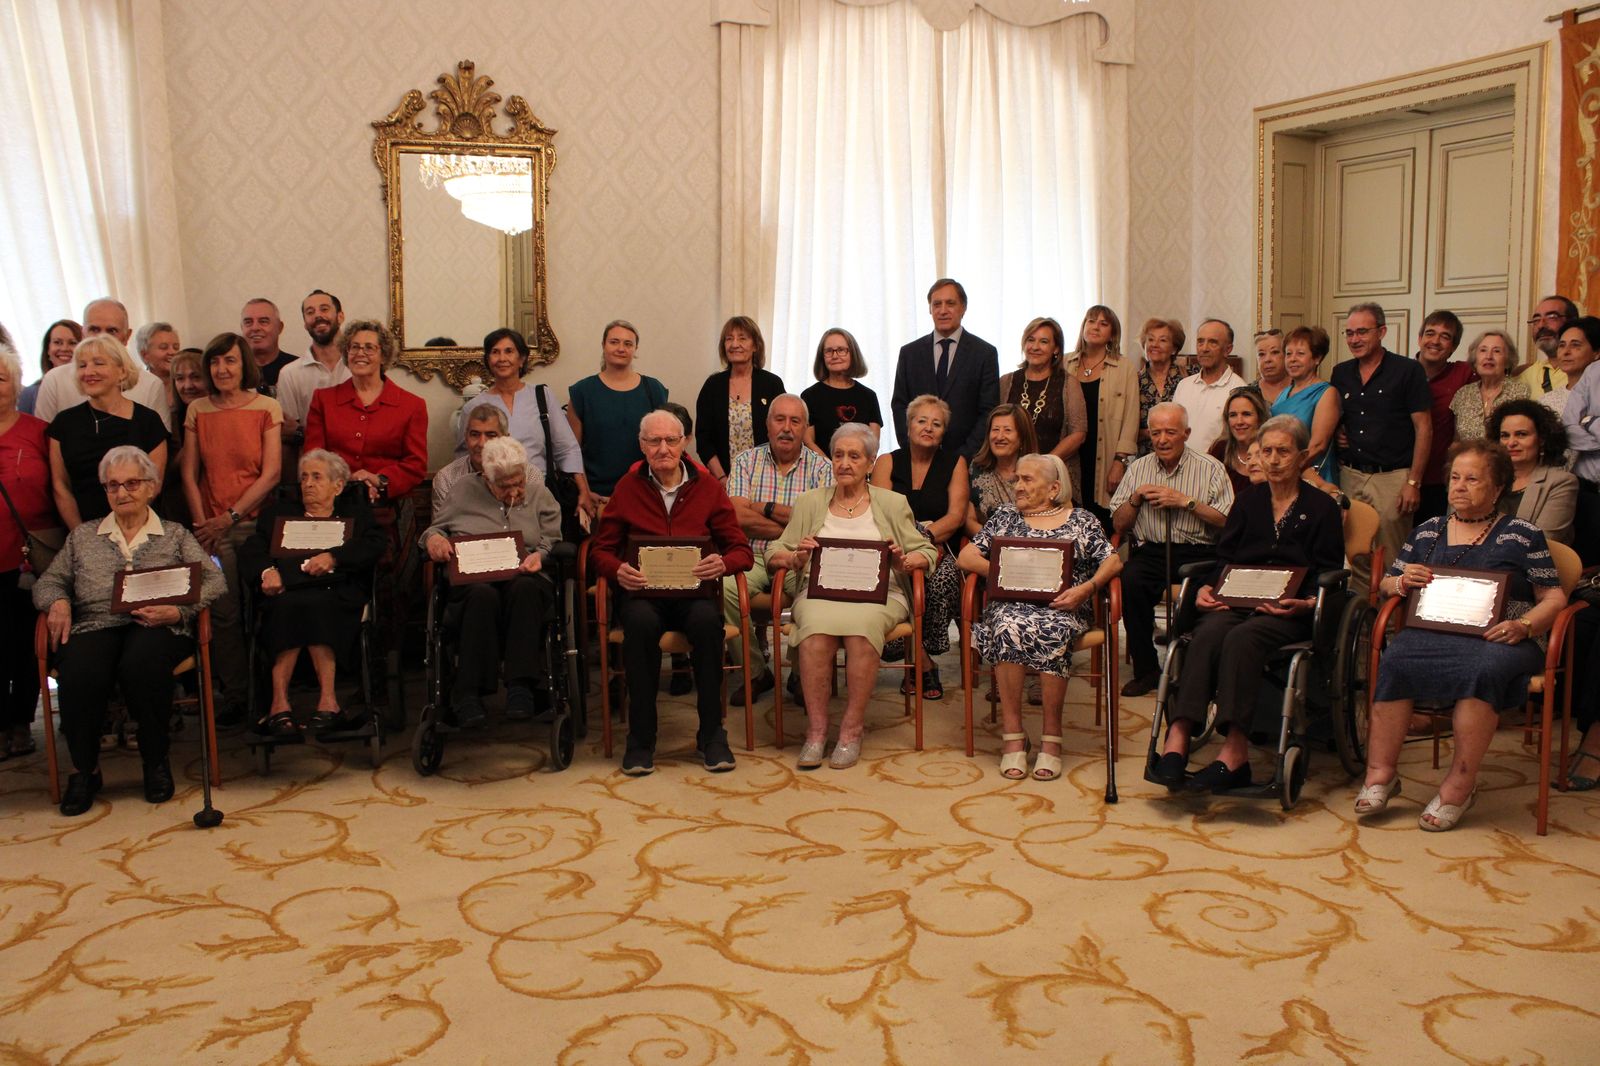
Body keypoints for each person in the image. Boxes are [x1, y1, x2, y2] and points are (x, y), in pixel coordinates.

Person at [1356, 441, 1567, 831]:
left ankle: (1461, 784)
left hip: (1502, 637)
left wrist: (1526, 626)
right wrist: (1402, 581)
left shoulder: (1522, 534)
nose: (1460, 486)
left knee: (1481, 669)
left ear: (1498, 488)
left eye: (1473, 479)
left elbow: (1553, 595)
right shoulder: (1426, 531)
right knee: (1396, 658)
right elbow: (1386, 585)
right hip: (1435, 630)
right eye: (1455, 477)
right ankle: (1381, 773)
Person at [1149, 416, 1344, 791]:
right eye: (1266, 451)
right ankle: (1178, 735)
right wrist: (1207, 588)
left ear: (1302, 457)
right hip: (1238, 599)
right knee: (1206, 633)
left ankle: (1235, 752)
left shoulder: (1322, 508)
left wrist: (1304, 603)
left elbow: (1329, 572)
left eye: (1283, 452)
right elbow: (1225, 557)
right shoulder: (1248, 502)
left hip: (1289, 609)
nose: (1272, 460)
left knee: (1243, 639)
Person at [32, 446, 224, 816]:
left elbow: (214, 581)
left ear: (151, 487)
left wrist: (178, 611)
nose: (122, 493)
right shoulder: (84, 537)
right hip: (95, 623)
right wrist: (57, 602)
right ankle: (84, 771)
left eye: (132, 484)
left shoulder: (174, 534)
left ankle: (156, 762)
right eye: (113, 486)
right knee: (81, 670)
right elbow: (50, 581)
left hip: (154, 624)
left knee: (143, 664)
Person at [589, 410, 753, 775]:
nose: (663, 448)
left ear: (685, 443)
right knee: (641, 625)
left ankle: (712, 735)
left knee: (708, 626)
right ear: (642, 445)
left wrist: (723, 564)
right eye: (654, 441)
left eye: (671, 440)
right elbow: (601, 549)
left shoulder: (708, 487)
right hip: (643, 595)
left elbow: (741, 549)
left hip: (694, 595)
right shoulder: (627, 488)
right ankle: (641, 739)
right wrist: (618, 570)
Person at [766, 423, 936, 769]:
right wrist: (795, 558)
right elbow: (774, 551)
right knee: (813, 628)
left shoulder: (892, 502)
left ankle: (851, 728)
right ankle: (816, 731)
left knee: (861, 630)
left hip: (880, 593)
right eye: (839, 455)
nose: (845, 463)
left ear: (870, 463)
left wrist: (905, 560)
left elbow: (926, 551)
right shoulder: (810, 501)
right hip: (820, 590)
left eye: (854, 456)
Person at [958, 453, 1120, 780]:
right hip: (1011, 604)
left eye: (1027, 480)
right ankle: (1014, 736)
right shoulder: (1005, 516)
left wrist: (1086, 589)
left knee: (1051, 629)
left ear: (1054, 487)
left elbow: (1112, 561)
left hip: (1064, 604)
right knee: (1006, 627)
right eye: (1016, 479)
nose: (1017, 486)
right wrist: (1005, 573)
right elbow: (966, 556)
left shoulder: (1082, 520)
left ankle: (1051, 738)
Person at [238, 449, 387, 735]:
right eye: (304, 477)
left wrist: (334, 557)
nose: (307, 483)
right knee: (287, 605)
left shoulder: (355, 515)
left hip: (336, 592)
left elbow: (374, 544)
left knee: (319, 604)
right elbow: (252, 549)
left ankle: (328, 703)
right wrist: (266, 572)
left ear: (338, 485)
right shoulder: (278, 515)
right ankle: (278, 705)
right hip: (286, 590)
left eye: (317, 477)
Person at [422, 437, 564, 727]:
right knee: (481, 596)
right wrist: (434, 540)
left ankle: (521, 688)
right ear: (486, 478)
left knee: (525, 589)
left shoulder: (539, 493)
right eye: (504, 486)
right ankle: (469, 694)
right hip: (474, 580)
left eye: (519, 482)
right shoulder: (462, 491)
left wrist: (542, 555)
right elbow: (434, 530)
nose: (514, 492)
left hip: (525, 576)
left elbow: (554, 539)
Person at [181, 332, 284, 720]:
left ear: (244, 365)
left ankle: (273, 693)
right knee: (224, 614)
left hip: (255, 525)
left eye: (230, 361)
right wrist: (204, 526)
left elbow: (271, 473)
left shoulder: (266, 407)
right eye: (215, 362)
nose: (221, 369)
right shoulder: (198, 411)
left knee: (266, 607)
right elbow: (190, 474)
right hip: (210, 531)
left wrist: (231, 517)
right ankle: (237, 695)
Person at [1110, 403, 1234, 697]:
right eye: (1156, 433)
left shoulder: (1211, 467)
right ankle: (1147, 671)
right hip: (1152, 551)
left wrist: (1186, 502)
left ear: (1186, 434)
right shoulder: (1138, 468)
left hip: (1200, 553)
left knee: (1194, 595)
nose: (1162, 440)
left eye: (1170, 432)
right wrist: (1136, 498)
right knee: (1130, 581)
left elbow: (1227, 522)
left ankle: (1188, 673)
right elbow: (1119, 523)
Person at [724, 393, 833, 696]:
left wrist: (764, 507)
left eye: (795, 421)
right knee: (724, 589)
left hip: (801, 556)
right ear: (768, 424)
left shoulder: (822, 469)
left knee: (815, 593)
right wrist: (792, 524)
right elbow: (736, 514)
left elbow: (818, 524)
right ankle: (756, 671)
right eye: (779, 419)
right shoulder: (747, 460)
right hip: (752, 554)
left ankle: (800, 673)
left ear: (805, 428)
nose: (787, 428)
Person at [871, 394, 968, 700]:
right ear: (908, 425)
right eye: (921, 420)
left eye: (936, 423)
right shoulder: (887, 462)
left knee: (942, 577)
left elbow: (955, 517)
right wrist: (908, 544)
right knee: (886, 581)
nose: (928, 428)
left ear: (944, 432)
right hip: (891, 547)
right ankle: (922, 661)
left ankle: (919, 658)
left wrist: (923, 539)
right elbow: (879, 512)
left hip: (939, 547)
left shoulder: (955, 463)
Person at [1332, 301, 1432, 589]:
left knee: (1393, 557)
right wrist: (1340, 430)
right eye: (1349, 333)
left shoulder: (1407, 371)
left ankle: (1390, 630)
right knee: (1356, 556)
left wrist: (1414, 481)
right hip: (1351, 475)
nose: (1355, 339)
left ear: (1382, 331)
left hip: (1393, 477)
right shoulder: (1341, 373)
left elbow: (1424, 428)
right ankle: (1362, 625)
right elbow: (1337, 414)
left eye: (1362, 332)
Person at [458, 327, 594, 517]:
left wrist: (583, 491)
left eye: (509, 351)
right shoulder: (473, 407)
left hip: (539, 495)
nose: (502, 358)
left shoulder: (541, 396)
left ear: (521, 359)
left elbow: (567, 448)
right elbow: (465, 457)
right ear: (488, 360)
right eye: (495, 352)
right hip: (490, 498)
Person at [0, 344, 58, 756]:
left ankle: (20, 721)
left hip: (26, 556)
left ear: (16, 383)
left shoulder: (38, 431)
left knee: (23, 643)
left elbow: (59, 490)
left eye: (0, 377)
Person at [47, 335, 169, 529]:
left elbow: (154, 485)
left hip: (139, 530)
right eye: (82, 365)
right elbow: (60, 486)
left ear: (121, 371)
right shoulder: (63, 423)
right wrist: (81, 535)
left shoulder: (148, 421)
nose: (89, 372)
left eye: (98, 363)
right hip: (82, 532)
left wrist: (119, 532)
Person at [304, 320, 428, 505]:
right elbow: (313, 457)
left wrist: (380, 480)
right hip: (334, 504)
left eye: (369, 348)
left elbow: (415, 465)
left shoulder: (412, 405)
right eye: (354, 347)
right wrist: (343, 485)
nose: (360, 353)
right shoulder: (323, 400)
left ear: (384, 356)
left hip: (386, 508)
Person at [890, 279, 999, 459]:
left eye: (950, 303)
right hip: (917, 459)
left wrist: (964, 456)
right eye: (937, 304)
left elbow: (988, 411)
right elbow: (900, 404)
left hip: (966, 460)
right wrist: (912, 447)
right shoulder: (909, 353)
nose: (943, 310)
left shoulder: (984, 353)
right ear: (930, 309)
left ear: (963, 308)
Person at [567, 319, 667, 509]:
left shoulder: (653, 389)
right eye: (614, 342)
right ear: (603, 345)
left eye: (628, 344)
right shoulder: (582, 392)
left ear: (635, 349)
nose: (621, 348)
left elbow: (664, 444)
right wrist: (585, 491)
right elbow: (571, 451)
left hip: (646, 493)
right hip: (598, 496)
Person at [33, 299, 171, 429]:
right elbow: (44, 440)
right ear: (83, 333)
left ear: (127, 336)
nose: (102, 338)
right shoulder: (55, 380)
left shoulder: (151, 385)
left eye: (112, 331)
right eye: (94, 329)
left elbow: (160, 445)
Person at [1064, 305, 1140, 528]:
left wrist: (1120, 461)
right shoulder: (1065, 363)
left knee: (1099, 519)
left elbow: (1131, 417)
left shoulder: (1124, 367)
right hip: (1070, 454)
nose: (1095, 326)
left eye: (1103, 323)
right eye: (1091, 321)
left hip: (1105, 456)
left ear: (1112, 334)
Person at [998, 316, 1087, 503]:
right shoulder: (1006, 382)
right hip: (1012, 478)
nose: (1035, 346)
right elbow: (996, 428)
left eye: (1044, 341)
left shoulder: (1069, 383)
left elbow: (1078, 433)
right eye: (1031, 340)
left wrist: (1043, 465)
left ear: (1056, 349)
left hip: (1053, 477)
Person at [695, 316, 786, 481]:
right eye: (729, 339)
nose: (735, 344)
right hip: (723, 478)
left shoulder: (772, 384)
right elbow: (703, 440)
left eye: (742, 338)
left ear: (755, 345)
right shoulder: (712, 386)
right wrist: (722, 478)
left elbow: (783, 431)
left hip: (768, 478)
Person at [1488, 400, 1577, 545]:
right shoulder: (1489, 478)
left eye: (1521, 434)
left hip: (1528, 564)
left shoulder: (1561, 482)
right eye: (1505, 435)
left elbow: (1542, 543)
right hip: (1478, 563)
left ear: (1541, 439)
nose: (1511, 443)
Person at [1412, 311, 1472, 521]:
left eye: (1445, 336)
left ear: (1454, 347)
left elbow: (1496, 371)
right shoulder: (1401, 373)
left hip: (1439, 481)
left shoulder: (1463, 373)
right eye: (1430, 333)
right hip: (1401, 476)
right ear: (1419, 339)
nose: (1435, 341)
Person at [434, 403, 538, 510]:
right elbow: (441, 525)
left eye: (491, 435)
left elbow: (536, 520)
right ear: (465, 437)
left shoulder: (530, 474)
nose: (481, 443)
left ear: (505, 439)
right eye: (474, 434)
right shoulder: (447, 478)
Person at [1272, 325, 1340, 487]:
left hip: (1312, 475)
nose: (1292, 359)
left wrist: (1289, 467)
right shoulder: (1283, 393)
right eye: (1288, 354)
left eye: (1300, 354)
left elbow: (1318, 445)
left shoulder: (1326, 393)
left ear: (1317, 358)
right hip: (1282, 472)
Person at [801, 327, 883, 459]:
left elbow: (873, 444)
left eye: (841, 350)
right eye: (829, 351)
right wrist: (831, 467)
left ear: (853, 353)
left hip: (859, 474)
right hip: (821, 472)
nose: (835, 355)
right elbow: (808, 442)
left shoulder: (868, 396)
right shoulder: (809, 396)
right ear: (822, 357)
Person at [276, 289, 349, 435]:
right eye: (310, 312)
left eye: (324, 309)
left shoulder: (362, 366)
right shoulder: (289, 374)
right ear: (305, 324)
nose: (318, 315)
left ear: (340, 317)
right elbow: (288, 433)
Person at [1171, 318, 1248, 454]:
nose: (1204, 348)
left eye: (1213, 342)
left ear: (1228, 349)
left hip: (1219, 469)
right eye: (1200, 342)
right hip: (1181, 467)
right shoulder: (1184, 386)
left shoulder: (1239, 390)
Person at [965, 404, 1040, 535]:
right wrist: (995, 542)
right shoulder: (976, 468)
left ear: (1022, 437)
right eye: (995, 430)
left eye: (1007, 430)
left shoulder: (1039, 470)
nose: (999, 437)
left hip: (1033, 544)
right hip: (988, 546)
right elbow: (968, 520)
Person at [1449, 330, 1528, 443]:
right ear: (1475, 360)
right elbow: (1457, 440)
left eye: (1496, 351)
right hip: (1469, 459)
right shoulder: (1463, 394)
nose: (1489, 356)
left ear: (1507, 361)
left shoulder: (1521, 392)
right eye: (1483, 350)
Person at [1137, 318, 1185, 457]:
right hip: (1145, 459)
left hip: (1182, 457)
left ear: (1174, 348)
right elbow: (1126, 429)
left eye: (1163, 340)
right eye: (1150, 340)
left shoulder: (1188, 376)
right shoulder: (1134, 381)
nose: (1155, 345)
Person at [1210, 387, 1268, 498]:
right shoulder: (1219, 449)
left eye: (1246, 414)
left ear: (1260, 418)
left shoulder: (1272, 451)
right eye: (1233, 415)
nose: (1239, 422)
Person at [1516, 294, 1578, 396]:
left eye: (1552, 317)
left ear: (1573, 322)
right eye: (1536, 320)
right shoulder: (1524, 376)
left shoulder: (1589, 371)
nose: (1541, 325)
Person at [1542, 315, 1600, 421]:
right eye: (1562, 345)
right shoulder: (1546, 402)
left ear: (1597, 353)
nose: (1566, 352)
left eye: (1575, 345)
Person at [18, 319, 80, 416]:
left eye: (72, 343)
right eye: (57, 342)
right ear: (48, 350)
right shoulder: (29, 394)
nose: (64, 348)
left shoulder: (93, 388)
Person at [240, 297, 298, 391]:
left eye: (263, 321)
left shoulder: (298, 369)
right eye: (248, 322)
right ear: (242, 328)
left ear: (280, 327)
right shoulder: (231, 371)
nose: (255, 328)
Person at [132, 321, 182, 409]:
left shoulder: (187, 385)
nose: (172, 352)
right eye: (164, 347)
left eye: (176, 347)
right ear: (145, 355)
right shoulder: (136, 389)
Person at [1253, 329, 1290, 408]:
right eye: (1261, 354)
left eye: (1274, 352)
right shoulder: (1250, 393)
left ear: (1286, 355)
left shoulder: (1301, 388)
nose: (1267, 359)